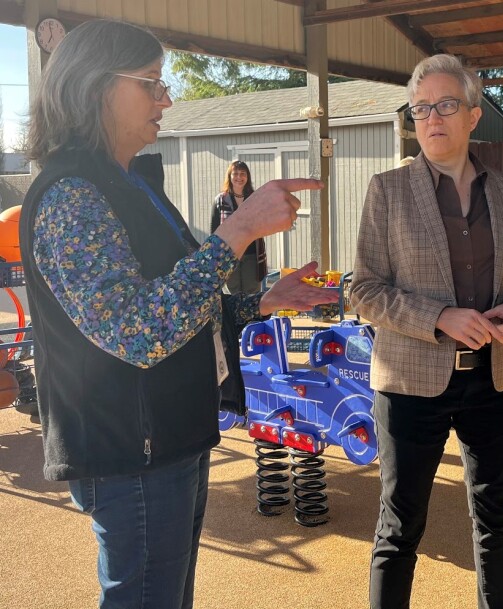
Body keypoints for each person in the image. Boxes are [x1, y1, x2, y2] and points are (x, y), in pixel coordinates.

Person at [20, 19, 336, 609]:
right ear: (95, 88)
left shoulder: (129, 184)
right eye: (150, 84)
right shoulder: (71, 196)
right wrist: (238, 230)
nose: (166, 99)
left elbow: (176, 301)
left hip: (167, 435)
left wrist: (260, 301)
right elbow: (140, 331)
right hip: (130, 448)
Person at [351, 54, 503, 609]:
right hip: (410, 385)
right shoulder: (386, 190)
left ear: (474, 115)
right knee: (400, 527)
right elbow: (362, 290)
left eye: (446, 105)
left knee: (497, 522)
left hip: (496, 380)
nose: (432, 117)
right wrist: (438, 318)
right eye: (421, 108)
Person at [211, 160, 267, 293]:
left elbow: (263, 224)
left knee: (252, 295)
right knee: (233, 294)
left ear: (247, 177)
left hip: (251, 255)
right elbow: (214, 231)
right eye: (235, 174)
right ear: (229, 176)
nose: (239, 177)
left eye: (243, 174)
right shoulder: (220, 200)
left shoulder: (255, 198)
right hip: (229, 255)